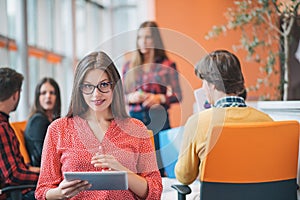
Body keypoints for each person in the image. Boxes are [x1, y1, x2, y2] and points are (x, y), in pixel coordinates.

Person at [35, 51, 162, 200]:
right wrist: (59, 193)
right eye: (88, 86)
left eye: (103, 85)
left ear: (114, 86)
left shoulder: (136, 129)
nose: (96, 94)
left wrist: (124, 173)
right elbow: (42, 191)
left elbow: (155, 190)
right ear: (79, 88)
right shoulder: (58, 129)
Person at [175, 50, 273, 185]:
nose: (203, 87)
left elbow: (184, 176)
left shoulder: (198, 122)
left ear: (213, 84)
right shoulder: (266, 121)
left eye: (203, 81)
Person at [122, 21, 182, 176]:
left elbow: (178, 95)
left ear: (155, 39)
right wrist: (130, 97)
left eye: (148, 37)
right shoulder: (129, 66)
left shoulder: (167, 64)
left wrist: (159, 98)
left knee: (160, 165)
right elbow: (119, 96)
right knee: (137, 166)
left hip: (159, 118)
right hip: (134, 119)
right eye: (140, 37)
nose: (143, 41)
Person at [0, 67, 39, 200]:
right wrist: (46, 177)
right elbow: (13, 175)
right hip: (12, 194)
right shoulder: (2, 127)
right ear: (15, 95)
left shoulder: (4, 124)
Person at [24, 77, 61, 167]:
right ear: (38, 97)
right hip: (43, 171)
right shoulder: (38, 120)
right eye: (43, 93)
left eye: (52, 93)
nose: (48, 96)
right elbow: (43, 156)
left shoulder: (53, 120)